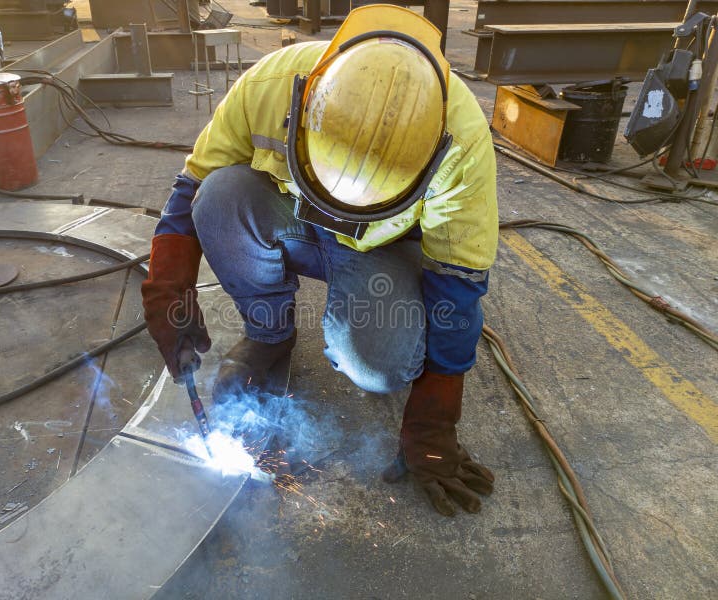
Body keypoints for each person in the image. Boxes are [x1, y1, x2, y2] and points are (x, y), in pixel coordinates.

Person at [141, 4, 498, 516]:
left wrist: (434, 421)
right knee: (219, 197)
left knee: (380, 369)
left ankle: (369, 329)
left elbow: (458, 285)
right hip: (290, 218)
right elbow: (191, 188)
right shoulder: (269, 86)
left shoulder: (460, 146)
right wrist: (168, 283)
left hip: (380, 250)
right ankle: (270, 335)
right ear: (301, 115)